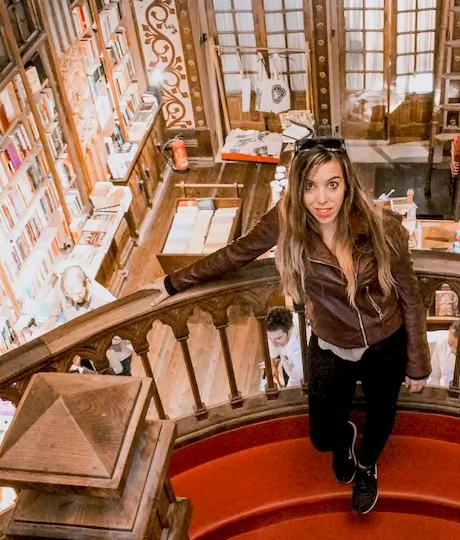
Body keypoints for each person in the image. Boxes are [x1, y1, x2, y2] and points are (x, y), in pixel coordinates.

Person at [144, 137, 431, 515]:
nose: (322, 199)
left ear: (346, 184)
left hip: (384, 342)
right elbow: (237, 253)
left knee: (381, 417)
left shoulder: (382, 227)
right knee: (321, 434)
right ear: (298, 188)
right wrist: (172, 282)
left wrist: (417, 361)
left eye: (332, 184)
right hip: (330, 341)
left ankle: (366, 467)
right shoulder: (288, 218)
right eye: (310, 186)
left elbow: (410, 295)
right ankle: (344, 438)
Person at [50, 266, 133, 375]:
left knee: (119, 379)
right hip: (88, 350)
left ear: (87, 282)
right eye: (69, 295)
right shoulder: (64, 285)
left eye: (79, 293)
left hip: (114, 352)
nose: (75, 299)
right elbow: (54, 311)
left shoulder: (105, 301)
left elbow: (121, 332)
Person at [265, 306, 304, 388]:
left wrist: (287, 389)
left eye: (278, 338)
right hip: (286, 364)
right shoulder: (276, 334)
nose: (273, 343)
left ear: (290, 330)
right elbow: (272, 344)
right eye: (270, 338)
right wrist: (272, 365)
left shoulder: (299, 348)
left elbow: (297, 377)